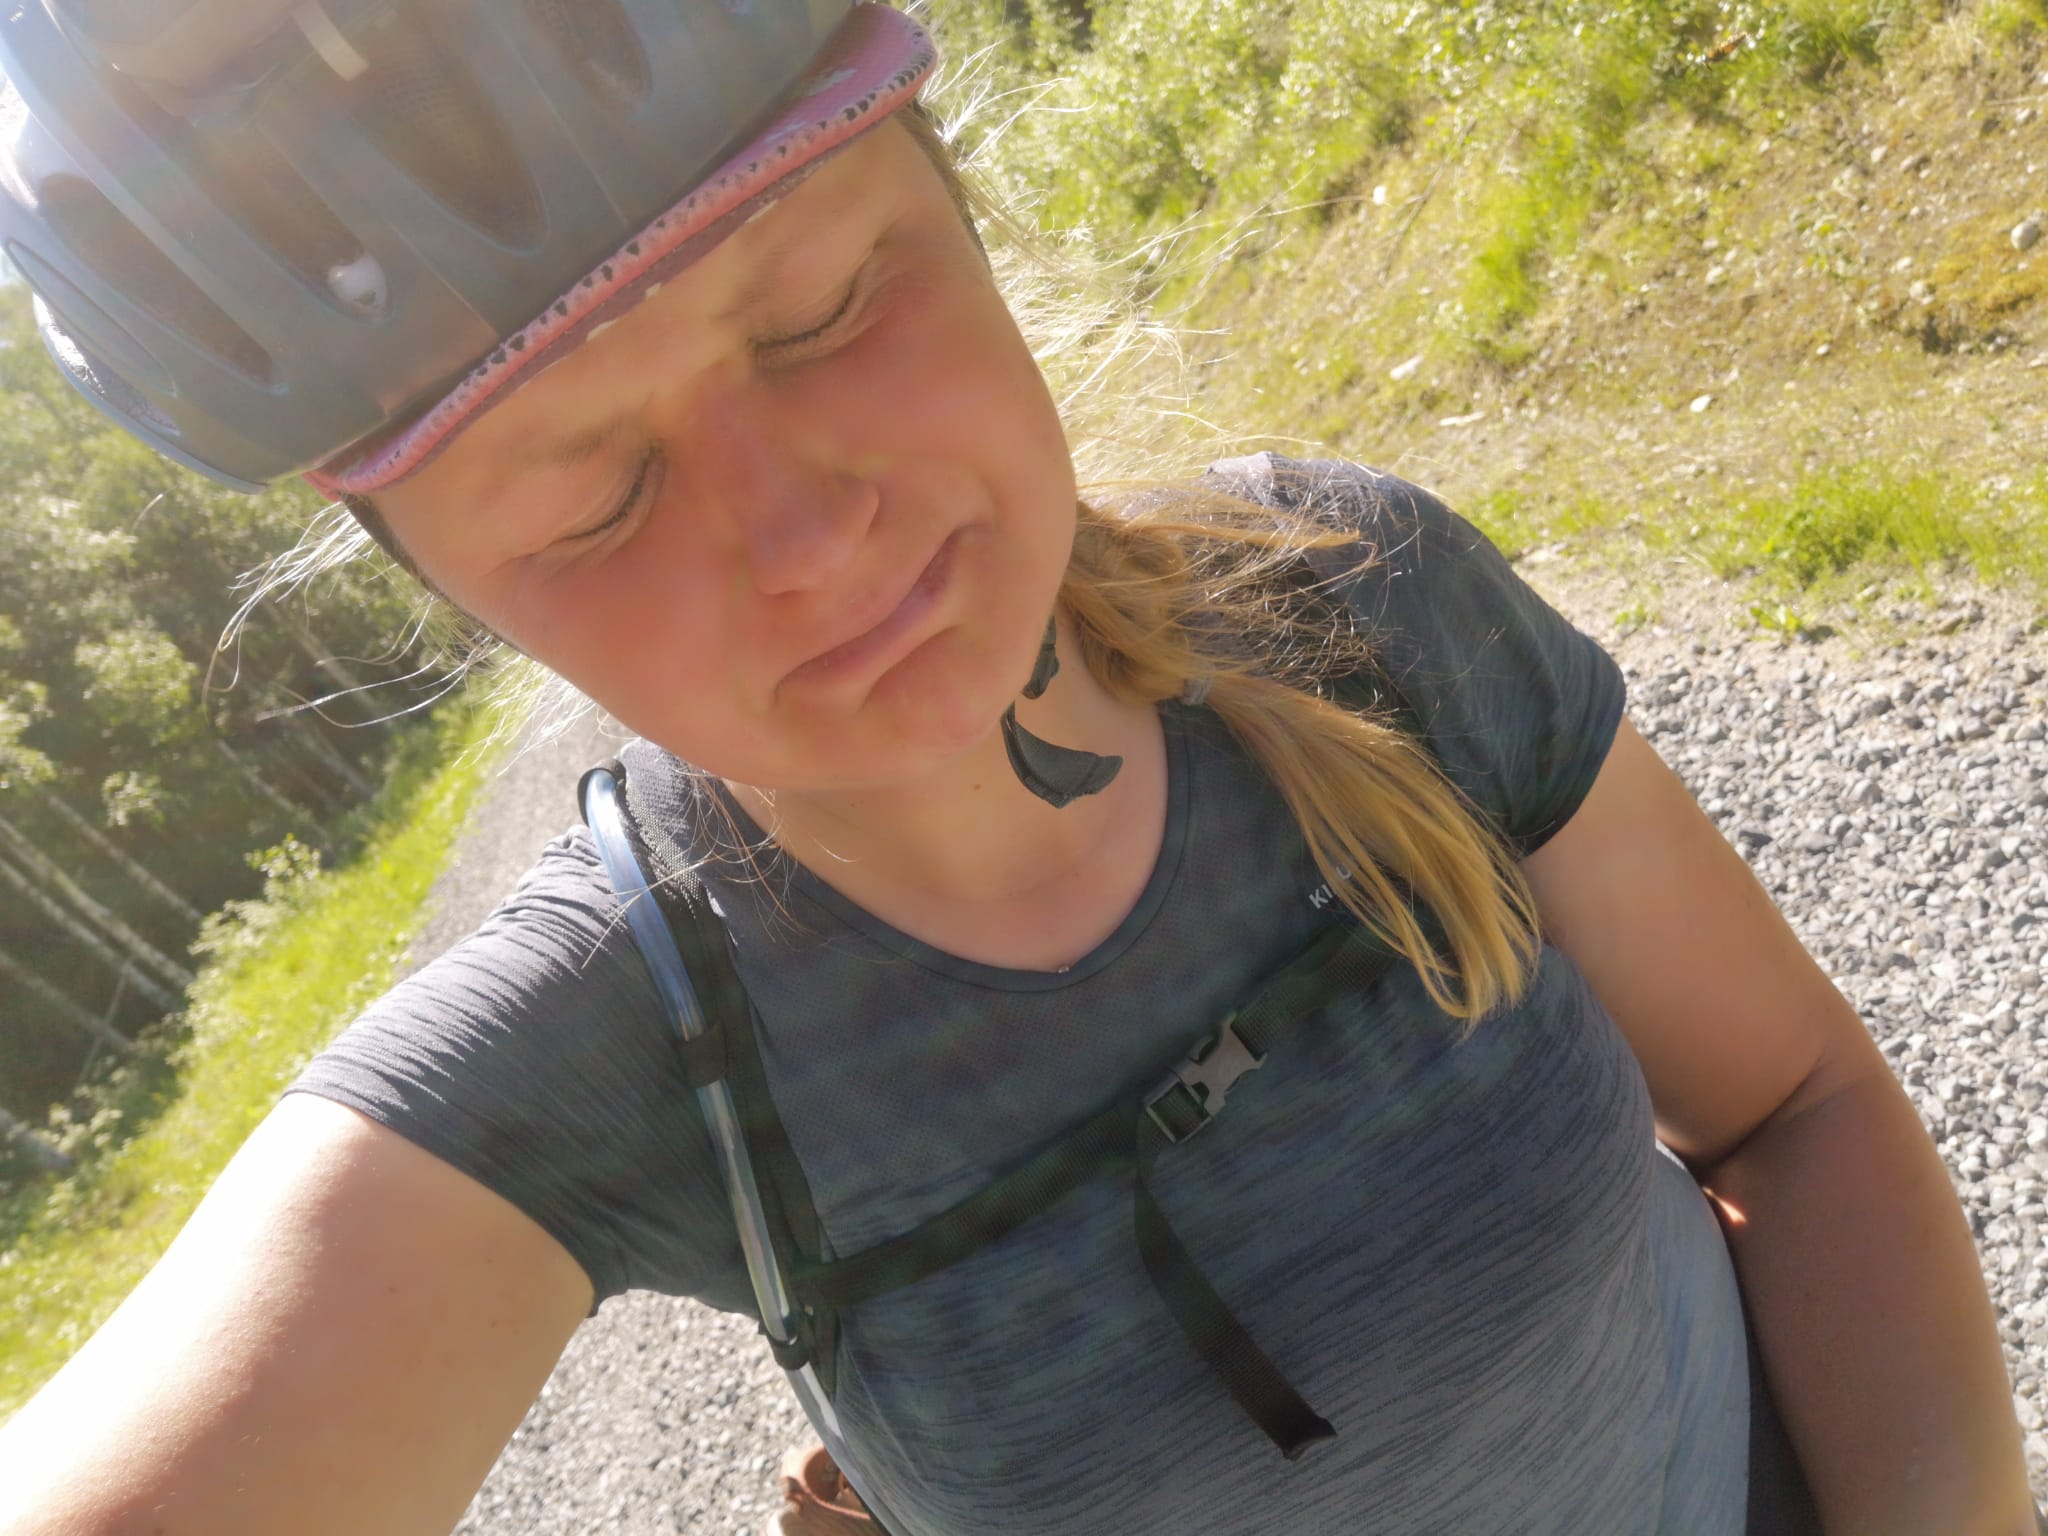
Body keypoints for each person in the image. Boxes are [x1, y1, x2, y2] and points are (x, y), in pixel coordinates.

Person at [0, 3, 2034, 1533]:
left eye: (821, 310)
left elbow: (1795, 1109)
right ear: (460, 603)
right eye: (591, 501)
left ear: (960, 207)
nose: (808, 540)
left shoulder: (1355, 601)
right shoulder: (606, 1057)